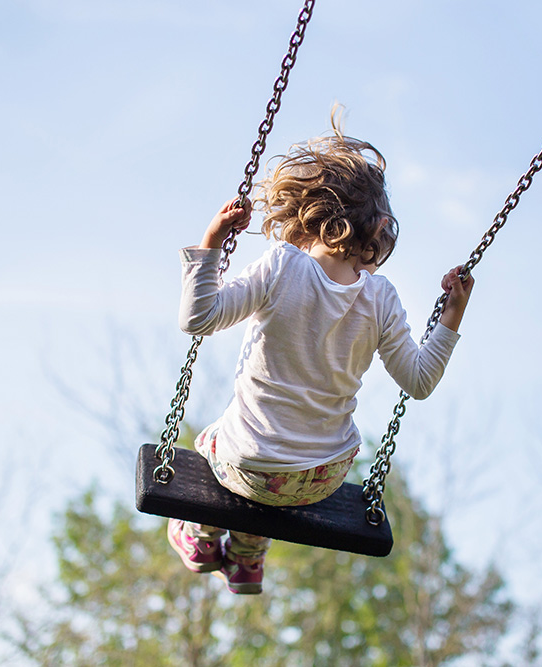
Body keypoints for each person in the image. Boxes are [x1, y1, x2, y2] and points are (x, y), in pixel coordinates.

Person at [167, 124, 474, 594]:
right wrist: (452, 314)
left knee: (221, 442)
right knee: (275, 463)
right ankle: (248, 555)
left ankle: (201, 535)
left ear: (308, 213)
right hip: (323, 475)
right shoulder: (381, 298)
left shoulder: (281, 265)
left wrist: (212, 241)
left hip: (248, 465)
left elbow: (199, 318)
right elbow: (420, 380)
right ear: (375, 230)